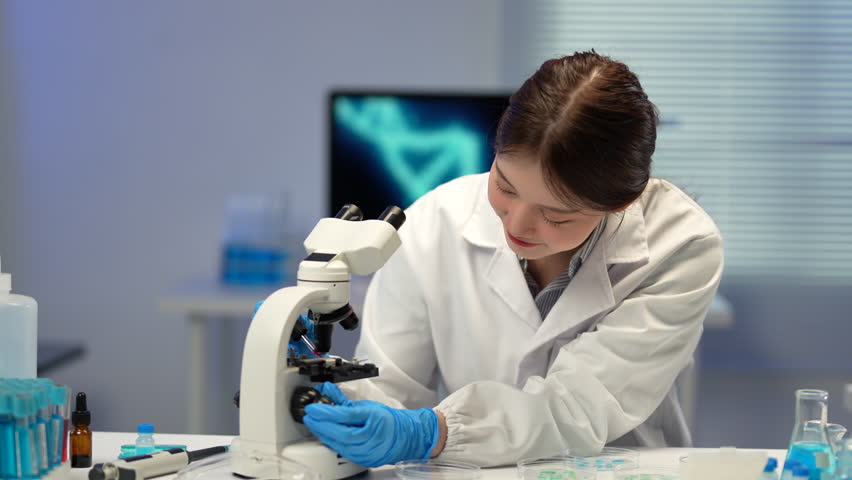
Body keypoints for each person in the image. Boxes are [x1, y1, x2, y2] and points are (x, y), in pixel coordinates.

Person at [300, 50, 724, 468]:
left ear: (622, 203)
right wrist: (328, 392)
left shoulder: (680, 245)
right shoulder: (433, 222)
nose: (518, 225)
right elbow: (391, 389)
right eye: (505, 186)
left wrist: (436, 431)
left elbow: (580, 405)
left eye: (555, 215)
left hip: (623, 468)